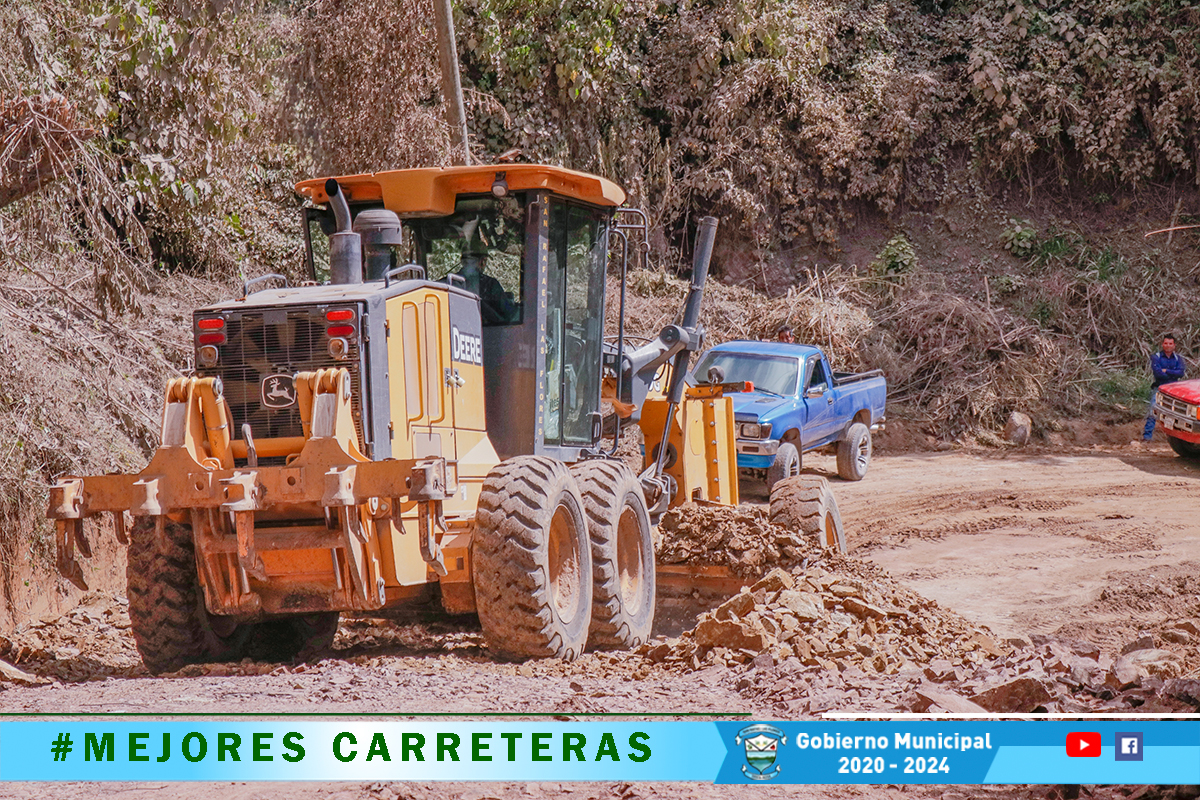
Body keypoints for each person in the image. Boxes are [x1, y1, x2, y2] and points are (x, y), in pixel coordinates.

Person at [1144, 333, 1186, 441]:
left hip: (1174, 390)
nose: (1168, 345)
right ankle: (1147, 437)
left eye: (1170, 343)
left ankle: (1176, 440)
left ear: (1174, 345)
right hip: (1159, 388)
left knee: (1175, 414)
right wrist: (1173, 373)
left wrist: (1166, 370)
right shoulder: (1156, 357)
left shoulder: (1178, 358)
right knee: (1153, 411)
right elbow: (1158, 373)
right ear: (1162, 344)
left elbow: (1181, 373)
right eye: (1166, 343)